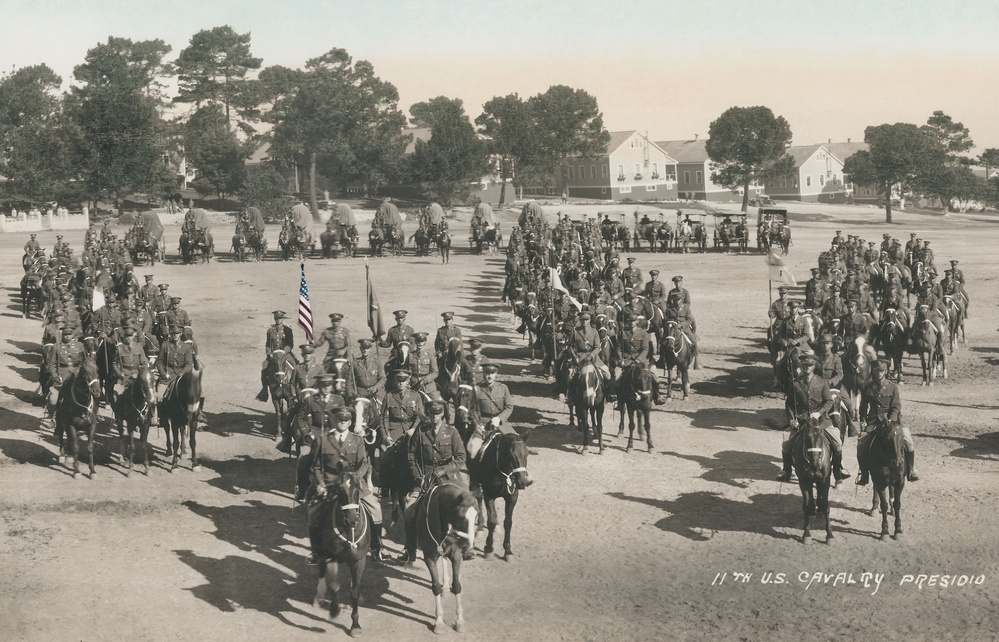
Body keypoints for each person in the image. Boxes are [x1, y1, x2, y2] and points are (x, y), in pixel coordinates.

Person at [308, 406, 385, 564]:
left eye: (346, 420)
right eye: (339, 420)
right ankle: (316, 551)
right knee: (313, 512)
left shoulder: (357, 440)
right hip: (331, 483)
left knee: (376, 508)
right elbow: (315, 467)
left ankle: (377, 546)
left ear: (350, 422)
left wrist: (355, 478)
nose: (342, 423)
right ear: (334, 421)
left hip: (354, 483)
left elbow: (363, 463)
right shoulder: (323, 440)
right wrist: (320, 484)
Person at [397, 392, 467, 564]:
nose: (434, 416)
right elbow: (411, 455)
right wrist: (417, 477)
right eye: (431, 413)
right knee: (409, 510)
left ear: (443, 413)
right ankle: (410, 549)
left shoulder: (452, 432)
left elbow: (460, 458)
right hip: (425, 477)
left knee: (467, 503)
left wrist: (443, 471)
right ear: (427, 414)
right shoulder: (421, 432)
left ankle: (466, 544)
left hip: (448, 476)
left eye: (438, 413)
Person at [776, 353, 850, 483]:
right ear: (801, 366)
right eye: (804, 365)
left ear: (814, 366)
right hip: (802, 420)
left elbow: (828, 401)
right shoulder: (796, 384)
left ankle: (838, 473)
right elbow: (789, 404)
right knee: (786, 445)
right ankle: (786, 471)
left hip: (822, 421)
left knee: (837, 442)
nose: (807, 368)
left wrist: (819, 412)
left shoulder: (822, 382)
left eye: (810, 365)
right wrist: (792, 419)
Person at [856, 359, 919, 485]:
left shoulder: (892, 387)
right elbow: (863, 406)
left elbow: (896, 406)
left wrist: (891, 420)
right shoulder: (868, 387)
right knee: (861, 443)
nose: (879, 373)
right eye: (876, 371)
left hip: (893, 422)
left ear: (885, 371)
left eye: (881, 371)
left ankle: (911, 470)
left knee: (908, 441)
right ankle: (864, 475)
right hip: (874, 422)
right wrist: (862, 420)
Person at [294, 373, 345, 505]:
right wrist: (307, 433)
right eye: (323, 385)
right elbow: (300, 418)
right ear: (319, 386)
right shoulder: (311, 400)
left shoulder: (338, 400)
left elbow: (343, 419)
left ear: (332, 386)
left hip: (334, 435)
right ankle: (302, 488)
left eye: (328, 386)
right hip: (315, 435)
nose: (325, 389)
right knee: (302, 460)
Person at [466, 363, 516, 457]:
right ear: (483, 374)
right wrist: (477, 425)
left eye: (492, 373)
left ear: (496, 374)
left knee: (516, 444)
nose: (490, 376)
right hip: (483, 425)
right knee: (473, 452)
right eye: (487, 373)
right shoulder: (477, 389)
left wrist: (499, 418)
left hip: (501, 423)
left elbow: (509, 406)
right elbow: (472, 410)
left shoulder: (503, 388)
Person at [615, 312, 663, 404]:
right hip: (627, 360)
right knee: (616, 377)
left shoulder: (644, 333)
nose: (631, 323)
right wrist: (620, 360)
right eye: (630, 321)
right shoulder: (623, 333)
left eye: (633, 321)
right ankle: (619, 400)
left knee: (655, 375)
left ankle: (657, 397)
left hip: (641, 360)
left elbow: (645, 349)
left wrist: (638, 359)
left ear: (637, 321)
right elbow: (619, 348)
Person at [155, 324, 195, 421]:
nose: (175, 335)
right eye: (173, 333)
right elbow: (159, 362)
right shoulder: (165, 345)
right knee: (159, 396)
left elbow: (189, 364)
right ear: (170, 334)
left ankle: (196, 415)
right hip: (168, 377)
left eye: (177, 333)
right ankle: (159, 417)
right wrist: (163, 374)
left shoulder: (186, 347)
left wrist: (182, 373)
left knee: (196, 393)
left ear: (181, 334)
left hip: (182, 376)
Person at [379, 370, 424, 449]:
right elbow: (383, 418)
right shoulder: (389, 397)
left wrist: (413, 428)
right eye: (398, 380)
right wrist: (385, 436)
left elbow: (419, 416)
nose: (401, 383)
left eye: (403, 380)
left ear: (408, 381)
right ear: (395, 381)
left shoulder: (415, 396)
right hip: (394, 431)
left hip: (410, 429)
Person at [259, 310, 295, 400]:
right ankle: (264, 391)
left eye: (280, 318)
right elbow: (268, 344)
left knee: (296, 367)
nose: (278, 320)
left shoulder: (288, 330)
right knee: (264, 368)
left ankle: (296, 390)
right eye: (277, 318)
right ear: (275, 319)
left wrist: (284, 351)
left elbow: (290, 344)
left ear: (283, 319)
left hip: (285, 354)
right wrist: (269, 353)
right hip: (273, 355)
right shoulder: (270, 331)